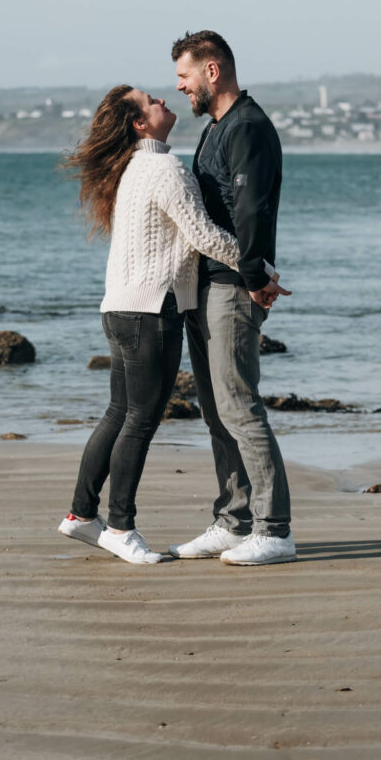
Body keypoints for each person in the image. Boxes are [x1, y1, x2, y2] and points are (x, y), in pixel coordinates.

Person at [57, 84, 243, 564]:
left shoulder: (134, 169)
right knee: (138, 420)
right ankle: (119, 526)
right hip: (151, 311)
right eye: (152, 101)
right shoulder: (165, 168)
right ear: (141, 123)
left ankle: (81, 515)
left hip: (120, 308)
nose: (163, 100)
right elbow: (203, 236)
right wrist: (257, 264)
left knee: (119, 414)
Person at [168, 30, 296, 566]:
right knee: (217, 414)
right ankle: (233, 520)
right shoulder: (217, 127)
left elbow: (250, 210)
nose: (180, 87)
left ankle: (274, 530)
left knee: (240, 408)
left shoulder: (247, 127)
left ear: (212, 71)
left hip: (232, 288)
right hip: (205, 288)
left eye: (185, 76)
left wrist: (252, 275)